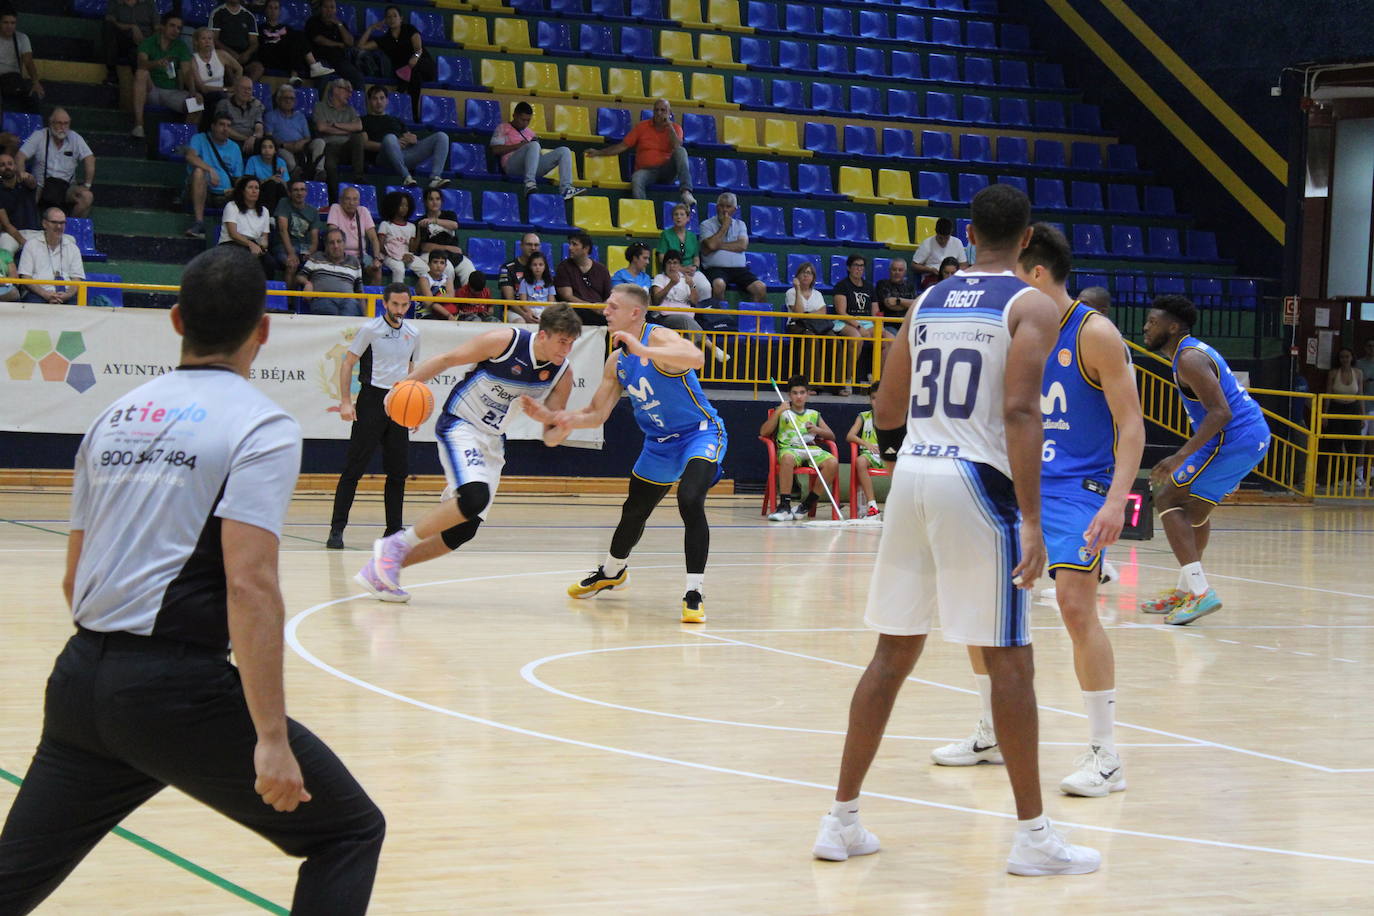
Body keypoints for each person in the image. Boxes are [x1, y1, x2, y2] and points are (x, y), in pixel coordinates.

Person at [0, 245, 385, 913]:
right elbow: (250, 586)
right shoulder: (260, 425)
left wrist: (112, 674)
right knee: (347, 832)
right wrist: (269, 738)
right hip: (173, 692)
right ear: (264, 329)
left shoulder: (109, 419)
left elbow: (75, 578)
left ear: (176, 320)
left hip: (80, 682)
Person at [812, 184, 1100, 876]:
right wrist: (1031, 519)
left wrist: (913, 448)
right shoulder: (1030, 304)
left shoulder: (924, 301)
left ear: (968, 235)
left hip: (913, 471)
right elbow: (1022, 413)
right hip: (975, 479)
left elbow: (885, 405)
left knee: (891, 653)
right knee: (1009, 658)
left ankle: (840, 820)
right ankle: (1033, 837)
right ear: (1027, 239)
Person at [932, 223, 1144, 799]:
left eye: (1013, 274)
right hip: (1016, 480)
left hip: (1080, 487)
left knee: (1077, 607)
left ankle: (1106, 754)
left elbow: (1131, 425)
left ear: (1038, 273)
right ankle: (991, 733)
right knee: (981, 608)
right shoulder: (1013, 329)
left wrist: (1116, 501)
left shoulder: (1094, 333)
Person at [354, 306, 584, 602]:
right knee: (474, 496)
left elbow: (551, 438)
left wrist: (555, 422)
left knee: (463, 530)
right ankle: (396, 544)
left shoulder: (562, 374)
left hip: (492, 441)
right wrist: (404, 385)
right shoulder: (506, 341)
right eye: (562, 342)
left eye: (571, 344)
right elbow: (447, 359)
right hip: (460, 423)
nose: (566, 350)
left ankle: (382, 570)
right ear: (543, 335)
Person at [534, 284, 726, 623]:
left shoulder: (660, 338)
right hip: (658, 444)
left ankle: (694, 591)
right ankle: (612, 571)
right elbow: (596, 413)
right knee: (634, 511)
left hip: (699, 433)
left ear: (635, 313)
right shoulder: (617, 361)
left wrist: (644, 349)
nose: (605, 311)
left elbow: (696, 358)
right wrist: (561, 420)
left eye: (612, 306)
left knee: (689, 498)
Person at [1138, 295, 1271, 624]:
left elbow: (1221, 412)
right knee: (1194, 513)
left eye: (1152, 322)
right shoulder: (1187, 352)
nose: (1145, 327)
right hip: (1248, 437)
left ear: (1173, 326)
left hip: (1233, 438)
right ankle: (1187, 589)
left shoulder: (1189, 358)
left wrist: (1180, 455)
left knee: (1167, 494)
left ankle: (1200, 592)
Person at [328, 283, 420, 550]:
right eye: (395, 305)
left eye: (405, 305)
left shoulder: (414, 333)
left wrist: (413, 408)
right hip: (371, 401)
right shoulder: (370, 330)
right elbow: (347, 363)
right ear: (385, 304)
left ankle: (393, 531)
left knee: (398, 472)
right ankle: (337, 529)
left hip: (399, 403)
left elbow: (412, 370)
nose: (400, 310)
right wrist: (346, 401)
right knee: (353, 469)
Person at [587, 98, 694, 204]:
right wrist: (599, 152)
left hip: (668, 171)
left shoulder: (676, 128)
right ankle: (643, 212)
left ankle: (686, 192)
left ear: (669, 113)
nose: (659, 113)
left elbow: (676, 146)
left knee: (681, 151)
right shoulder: (642, 127)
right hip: (647, 171)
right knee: (637, 178)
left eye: (663, 110)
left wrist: (669, 126)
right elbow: (622, 146)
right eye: (656, 110)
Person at [761, 375, 838, 521]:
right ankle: (784, 505)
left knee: (832, 463)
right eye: (795, 393)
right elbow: (764, 432)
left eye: (802, 393)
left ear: (808, 394)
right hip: (789, 450)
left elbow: (831, 436)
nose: (799, 396)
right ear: (789, 395)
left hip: (811, 449)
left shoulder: (814, 414)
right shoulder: (782, 411)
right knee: (787, 458)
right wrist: (778, 411)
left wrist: (817, 430)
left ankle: (807, 505)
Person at [488, 101, 584, 200]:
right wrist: (519, 146)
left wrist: (535, 148)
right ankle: (529, 184)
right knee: (533, 144)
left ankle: (566, 188)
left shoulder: (530, 133)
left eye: (528, 120)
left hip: (530, 168)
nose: (525, 123)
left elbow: (537, 157)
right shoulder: (503, 128)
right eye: (522, 120)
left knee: (564, 150)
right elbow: (495, 150)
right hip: (512, 166)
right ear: (514, 116)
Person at [360, 84, 449, 190]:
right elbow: (365, 144)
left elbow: (409, 137)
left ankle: (435, 178)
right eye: (374, 98)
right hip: (383, 157)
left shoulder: (396, 120)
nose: (379, 102)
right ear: (369, 101)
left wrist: (412, 139)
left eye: (382, 98)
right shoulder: (364, 120)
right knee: (390, 138)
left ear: (387, 100)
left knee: (442, 136)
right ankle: (406, 177)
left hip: (405, 154)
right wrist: (390, 145)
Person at [358, 5, 436, 122]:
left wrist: (415, 57)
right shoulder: (385, 39)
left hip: (423, 64)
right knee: (414, 76)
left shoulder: (409, 29)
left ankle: (404, 92)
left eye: (395, 16)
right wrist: (371, 28)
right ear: (385, 20)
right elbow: (360, 46)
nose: (392, 19)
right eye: (388, 17)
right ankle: (413, 114)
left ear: (401, 18)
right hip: (406, 72)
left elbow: (418, 49)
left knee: (414, 70)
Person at [648, 249, 727, 365]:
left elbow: (694, 302)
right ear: (664, 265)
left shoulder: (685, 279)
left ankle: (689, 365)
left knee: (688, 326)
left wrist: (692, 286)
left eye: (675, 263)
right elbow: (656, 300)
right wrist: (671, 284)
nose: (672, 266)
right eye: (669, 263)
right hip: (664, 316)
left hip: (686, 315)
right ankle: (711, 348)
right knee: (686, 320)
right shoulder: (660, 278)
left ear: (680, 265)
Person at [16, 108, 96, 218]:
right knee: (28, 194)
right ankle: (29, 224)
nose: (63, 127)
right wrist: (21, 173)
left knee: (87, 196)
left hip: (67, 187)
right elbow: (20, 156)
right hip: (41, 185)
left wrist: (87, 185)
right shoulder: (40, 135)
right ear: (51, 123)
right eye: (59, 123)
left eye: (66, 123)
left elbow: (90, 158)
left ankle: (68, 225)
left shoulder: (75, 138)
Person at [130, 13, 195, 139]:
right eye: (172, 26)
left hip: (172, 92)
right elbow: (141, 63)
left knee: (197, 105)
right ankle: (139, 125)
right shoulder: (149, 42)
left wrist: (193, 91)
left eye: (179, 28)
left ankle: (184, 141)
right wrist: (157, 63)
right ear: (162, 27)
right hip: (152, 90)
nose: (175, 30)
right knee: (141, 73)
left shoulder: (181, 46)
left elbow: (187, 72)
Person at [699, 192, 766, 308]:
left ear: (734, 210)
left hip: (739, 269)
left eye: (728, 207)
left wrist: (717, 245)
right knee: (718, 284)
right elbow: (710, 245)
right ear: (716, 207)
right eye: (721, 206)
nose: (724, 210)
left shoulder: (740, 225)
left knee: (760, 287)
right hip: (715, 269)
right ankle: (720, 321)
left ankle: (753, 323)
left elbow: (742, 246)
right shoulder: (706, 224)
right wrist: (724, 227)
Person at [183, 112, 244, 240]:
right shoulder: (199, 138)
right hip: (202, 192)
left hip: (224, 195)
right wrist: (210, 169)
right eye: (221, 124)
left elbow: (238, 177)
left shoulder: (234, 147)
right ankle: (199, 223)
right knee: (199, 172)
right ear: (213, 126)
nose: (225, 129)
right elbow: (190, 156)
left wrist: (236, 191)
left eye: (228, 126)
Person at [246, 0, 334, 83]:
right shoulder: (260, 28)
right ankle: (312, 66)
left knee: (299, 36)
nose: (273, 11)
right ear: (265, 10)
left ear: (280, 11)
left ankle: (304, 71)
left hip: (283, 58)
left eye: (276, 8)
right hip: (268, 56)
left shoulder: (288, 29)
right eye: (270, 8)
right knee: (295, 39)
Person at [313, 77, 366, 199]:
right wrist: (347, 130)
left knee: (358, 137)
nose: (350, 94)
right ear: (336, 90)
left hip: (346, 148)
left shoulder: (350, 110)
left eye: (351, 91)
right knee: (330, 164)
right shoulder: (320, 106)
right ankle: (334, 199)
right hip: (329, 146)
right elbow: (321, 128)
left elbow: (358, 126)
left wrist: (335, 125)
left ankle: (359, 177)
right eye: (347, 90)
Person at [17, 206, 84, 304]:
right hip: (38, 294)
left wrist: (67, 295)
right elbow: (26, 277)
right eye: (54, 222)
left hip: (66, 295)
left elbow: (77, 279)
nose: (59, 227)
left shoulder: (73, 248)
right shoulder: (31, 245)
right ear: (44, 223)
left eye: (62, 223)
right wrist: (46, 294)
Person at [830, 253, 875, 396]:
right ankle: (846, 379)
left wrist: (873, 326)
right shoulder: (842, 286)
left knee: (887, 338)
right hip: (844, 321)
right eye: (856, 265)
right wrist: (859, 326)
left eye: (862, 266)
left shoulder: (869, 287)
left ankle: (876, 377)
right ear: (849, 268)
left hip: (867, 322)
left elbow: (875, 313)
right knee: (856, 339)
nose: (859, 269)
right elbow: (841, 313)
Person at [263, 83, 324, 180]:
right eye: (285, 98)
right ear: (278, 100)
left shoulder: (300, 116)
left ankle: (318, 171)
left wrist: (300, 143)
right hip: (281, 147)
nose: (288, 101)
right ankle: (295, 174)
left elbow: (308, 137)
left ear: (295, 101)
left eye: (292, 98)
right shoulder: (270, 116)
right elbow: (269, 138)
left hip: (301, 145)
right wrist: (285, 145)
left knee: (319, 142)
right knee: (287, 157)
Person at [1326, 346, 1366, 489]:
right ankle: (1339, 476)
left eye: (1347, 357)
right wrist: (1325, 415)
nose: (1345, 359)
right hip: (1336, 408)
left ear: (1352, 358)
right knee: (1336, 444)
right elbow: (1328, 394)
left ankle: (1353, 476)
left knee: (1353, 444)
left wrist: (1362, 416)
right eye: (1342, 357)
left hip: (1353, 408)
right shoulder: (1333, 373)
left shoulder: (1358, 373)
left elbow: (1360, 395)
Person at [219, 175, 275, 277]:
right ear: (242, 191)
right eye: (250, 187)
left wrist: (262, 246)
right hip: (231, 243)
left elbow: (264, 237)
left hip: (253, 245)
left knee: (269, 263)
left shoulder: (265, 211)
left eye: (257, 188)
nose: (254, 191)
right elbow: (233, 234)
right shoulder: (232, 206)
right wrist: (251, 245)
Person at [301, 226, 364, 315]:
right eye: (331, 243)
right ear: (326, 246)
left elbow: (360, 291)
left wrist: (367, 317)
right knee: (331, 318)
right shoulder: (316, 257)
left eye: (339, 241)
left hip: (348, 301)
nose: (336, 246)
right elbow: (300, 276)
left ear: (344, 243)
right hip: (323, 299)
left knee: (350, 313)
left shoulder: (354, 261)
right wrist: (307, 283)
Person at [655, 201, 711, 302]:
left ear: (688, 218)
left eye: (682, 214)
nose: (678, 217)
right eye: (676, 214)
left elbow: (696, 257)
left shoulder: (692, 236)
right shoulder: (666, 234)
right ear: (672, 218)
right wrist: (680, 268)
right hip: (673, 270)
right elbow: (662, 258)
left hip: (691, 271)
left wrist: (695, 267)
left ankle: (703, 314)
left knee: (705, 287)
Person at [327, 184, 382, 284]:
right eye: (347, 199)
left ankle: (369, 299)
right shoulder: (335, 208)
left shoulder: (363, 211)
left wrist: (377, 258)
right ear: (341, 200)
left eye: (355, 199)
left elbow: (374, 239)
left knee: (377, 271)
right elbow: (332, 234)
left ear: (359, 201)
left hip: (362, 256)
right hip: (341, 255)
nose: (351, 203)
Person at [188, 26, 242, 129]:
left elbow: (239, 69)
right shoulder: (193, 60)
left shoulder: (221, 55)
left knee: (222, 100)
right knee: (211, 101)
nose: (207, 41)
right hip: (204, 93)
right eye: (203, 39)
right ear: (196, 42)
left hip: (221, 94)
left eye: (210, 38)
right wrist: (227, 89)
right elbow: (202, 87)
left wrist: (235, 85)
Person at [415, 186, 472, 281]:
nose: (435, 202)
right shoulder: (422, 221)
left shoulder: (449, 215)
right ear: (425, 202)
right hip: (433, 255)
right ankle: (446, 295)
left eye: (437, 199)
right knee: (447, 269)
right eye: (431, 199)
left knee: (470, 271)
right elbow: (424, 246)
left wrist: (434, 220)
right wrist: (447, 248)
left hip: (454, 255)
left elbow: (454, 225)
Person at [555, 231, 611, 326]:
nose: (570, 248)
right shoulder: (563, 267)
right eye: (570, 244)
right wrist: (591, 307)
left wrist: (602, 308)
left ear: (586, 248)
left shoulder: (602, 270)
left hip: (599, 312)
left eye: (574, 244)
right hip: (576, 311)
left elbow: (608, 296)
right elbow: (567, 296)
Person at [305, 0, 365, 90]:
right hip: (320, 57)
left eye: (332, 7)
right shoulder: (313, 21)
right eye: (326, 7)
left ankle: (358, 103)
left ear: (335, 10)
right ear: (321, 9)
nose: (329, 10)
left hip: (339, 60)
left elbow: (350, 42)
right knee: (323, 76)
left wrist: (339, 25)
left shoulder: (340, 24)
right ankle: (317, 102)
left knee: (358, 77)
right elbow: (319, 40)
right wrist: (339, 44)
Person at [846, 383, 884, 518]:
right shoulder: (863, 416)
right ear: (869, 399)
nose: (877, 401)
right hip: (870, 455)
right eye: (874, 398)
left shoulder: (893, 416)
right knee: (860, 461)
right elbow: (850, 436)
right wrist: (866, 444)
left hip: (888, 455)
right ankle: (872, 506)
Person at [274, 178, 319, 288]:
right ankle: (289, 302)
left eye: (302, 189)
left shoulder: (313, 211)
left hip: (304, 247)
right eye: (296, 190)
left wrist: (310, 252)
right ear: (289, 193)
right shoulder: (283, 203)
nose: (300, 193)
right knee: (292, 264)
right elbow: (283, 230)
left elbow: (314, 240)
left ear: (306, 192)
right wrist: (291, 253)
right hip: (284, 245)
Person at [102, 0, 157, 86]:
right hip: (123, 41)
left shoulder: (148, 3)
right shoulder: (115, 3)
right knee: (108, 27)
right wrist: (132, 27)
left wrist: (147, 44)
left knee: (136, 53)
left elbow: (157, 27)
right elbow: (110, 20)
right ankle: (112, 75)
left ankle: (144, 85)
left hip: (145, 41)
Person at [0, 8, 43, 112]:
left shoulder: (22, 38)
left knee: (32, 99)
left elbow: (28, 61)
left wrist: (35, 82)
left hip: (12, 79)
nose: (9, 26)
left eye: (12, 23)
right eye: (5, 22)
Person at [0, 150, 40, 255]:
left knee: (69, 240)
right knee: (5, 250)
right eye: (2, 165)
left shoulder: (26, 183)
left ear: (15, 166)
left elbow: (33, 183)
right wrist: (25, 243)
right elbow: (6, 225)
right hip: (11, 234)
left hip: (34, 232)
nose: (7, 167)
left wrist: (27, 177)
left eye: (10, 164)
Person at [215, 75, 265, 158]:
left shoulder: (256, 106)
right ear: (235, 89)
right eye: (243, 88)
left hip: (251, 142)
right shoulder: (224, 104)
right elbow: (223, 128)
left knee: (268, 147)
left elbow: (259, 128)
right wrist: (246, 139)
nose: (246, 92)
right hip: (230, 139)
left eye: (249, 89)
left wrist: (254, 137)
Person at [376, 189, 417, 284]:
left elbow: (411, 248)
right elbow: (381, 247)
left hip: (407, 257)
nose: (405, 208)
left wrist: (409, 255)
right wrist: (396, 256)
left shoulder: (412, 226)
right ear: (393, 206)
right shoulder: (385, 224)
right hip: (389, 256)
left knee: (425, 268)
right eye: (401, 205)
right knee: (399, 269)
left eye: (407, 205)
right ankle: (398, 295)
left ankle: (437, 292)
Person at [911, 217, 968, 281]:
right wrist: (930, 270)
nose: (943, 241)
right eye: (940, 238)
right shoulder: (927, 243)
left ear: (951, 233)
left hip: (952, 277)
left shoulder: (957, 243)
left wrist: (953, 272)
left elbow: (964, 265)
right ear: (936, 232)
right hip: (932, 277)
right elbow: (914, 265)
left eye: (946, 238)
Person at [244, 134, 290, 211]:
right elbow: (248, 183)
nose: (267, 150)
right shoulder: (253, 160)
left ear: (275, 150)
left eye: (270, 147)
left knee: (279, 186)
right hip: (259, 193)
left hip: (277, 194)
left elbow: (285, 188)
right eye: (264, 147)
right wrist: (269, 179)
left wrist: (280, 178)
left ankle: (283, 215)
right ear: (260, 149)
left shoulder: (280, 162)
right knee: (271, 184)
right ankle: (270, 215)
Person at [210, 0, 259, 70]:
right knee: (227, 64)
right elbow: (214, 40)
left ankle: (245, 81)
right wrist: (230, 53)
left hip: (243, 54)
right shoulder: (217, 13)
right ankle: (236, 80)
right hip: (224, 52)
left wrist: (246, 54)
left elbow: (254, 42)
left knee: (258, 68)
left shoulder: (249, 16)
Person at [785, 260, 830, 334]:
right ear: (797, 276)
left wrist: (805, 316)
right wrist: (798, 289)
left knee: (832, 337)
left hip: (815, 325)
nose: (805, 275)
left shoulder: (817, 294)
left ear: (813, 277)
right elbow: (799, 313)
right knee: (810, 337)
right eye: (803, 272)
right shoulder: (791, 292)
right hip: (797, 326)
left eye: (809, 273)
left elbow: (822, 312)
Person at [498, 231, 542, 300]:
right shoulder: (507, 268)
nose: (533, 248)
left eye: (536, 245)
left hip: (539, 308)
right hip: (515, 310)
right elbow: (510, 300)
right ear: (521, 246)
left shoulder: (543, 268)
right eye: (529, 244)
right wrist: (526, 311)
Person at [513, 250, 554, 323]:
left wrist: (545, 316)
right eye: (534, 265)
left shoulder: (550, 282)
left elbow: (551, 303)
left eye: (541, 265)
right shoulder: (524, 282)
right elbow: (523, 302)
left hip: (545, 312)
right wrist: (530, 313)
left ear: (545, 266)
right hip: (530, 311)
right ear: (530, 267)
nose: (538, 267)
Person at [415, 248, 455, 313]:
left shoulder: (448, 280)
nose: (438, 266)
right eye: (435, 262)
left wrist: (436, 299)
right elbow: (430, 301)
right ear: (429, 264)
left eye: (442, 263)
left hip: (442, 312)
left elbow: (451, 297)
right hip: (424, 312)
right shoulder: (424, 279)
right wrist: (443, 298)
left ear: (445, 266)